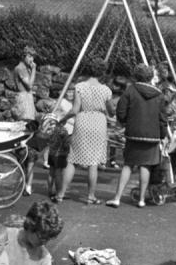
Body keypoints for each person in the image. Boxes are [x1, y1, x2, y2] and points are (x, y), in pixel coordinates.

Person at [107, 63, 169, 209]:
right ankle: (141, 199)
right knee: (145, 166)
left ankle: (117, 198)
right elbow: (163, 118)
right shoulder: (159, 95)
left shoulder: (130, 91)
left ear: (136, 76)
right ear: (150, 77)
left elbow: (121, 111)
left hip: (133, 133)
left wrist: (124, 123)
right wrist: (163, 134)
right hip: (152, 136)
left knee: (128, 165)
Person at [56, 59, 114, 204]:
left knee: (72, 160)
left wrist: (63, 118)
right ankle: (91, 196)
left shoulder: (80, 86)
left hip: (82, 122)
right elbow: (111, 112)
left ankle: (60, 194)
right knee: (93, 162)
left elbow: (75, 110)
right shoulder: (106, 90)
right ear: (102, 72)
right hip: (98, 124)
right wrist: (109, 112)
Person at [12, 45, 37, 120]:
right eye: (29, 57)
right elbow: (29, 85)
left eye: (33, 57)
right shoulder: (20, 68)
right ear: (23, 56)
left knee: (29, 122)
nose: (31, 59)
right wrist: (34, 69)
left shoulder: (27, 68)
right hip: (23, 99)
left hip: (27, 97)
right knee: (25, 122)